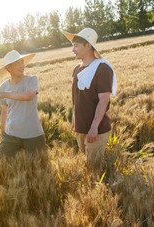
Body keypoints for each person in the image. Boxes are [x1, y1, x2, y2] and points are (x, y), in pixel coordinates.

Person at [62, 28, 117, 172]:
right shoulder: (77, 69)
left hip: (97, 129)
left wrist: (94, 127)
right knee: (89, 165)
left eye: (76, 46)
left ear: (88, 46)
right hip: (80, 128)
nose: (73, 50)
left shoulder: (102, 69)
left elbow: (103, 100)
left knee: (94, 168)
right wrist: (75, 119)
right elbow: (76, 98)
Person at [0, 50, 47, 161]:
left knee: (39, 166)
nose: (22, 66)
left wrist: (5, 94)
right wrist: (3, 135)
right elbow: (4, 112)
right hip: (12, 134)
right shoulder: (4, 86)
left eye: (22, 62)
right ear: (9, 68)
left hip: (33, 134)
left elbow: (28, 95)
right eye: (17, 63)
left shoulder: (32, 79)